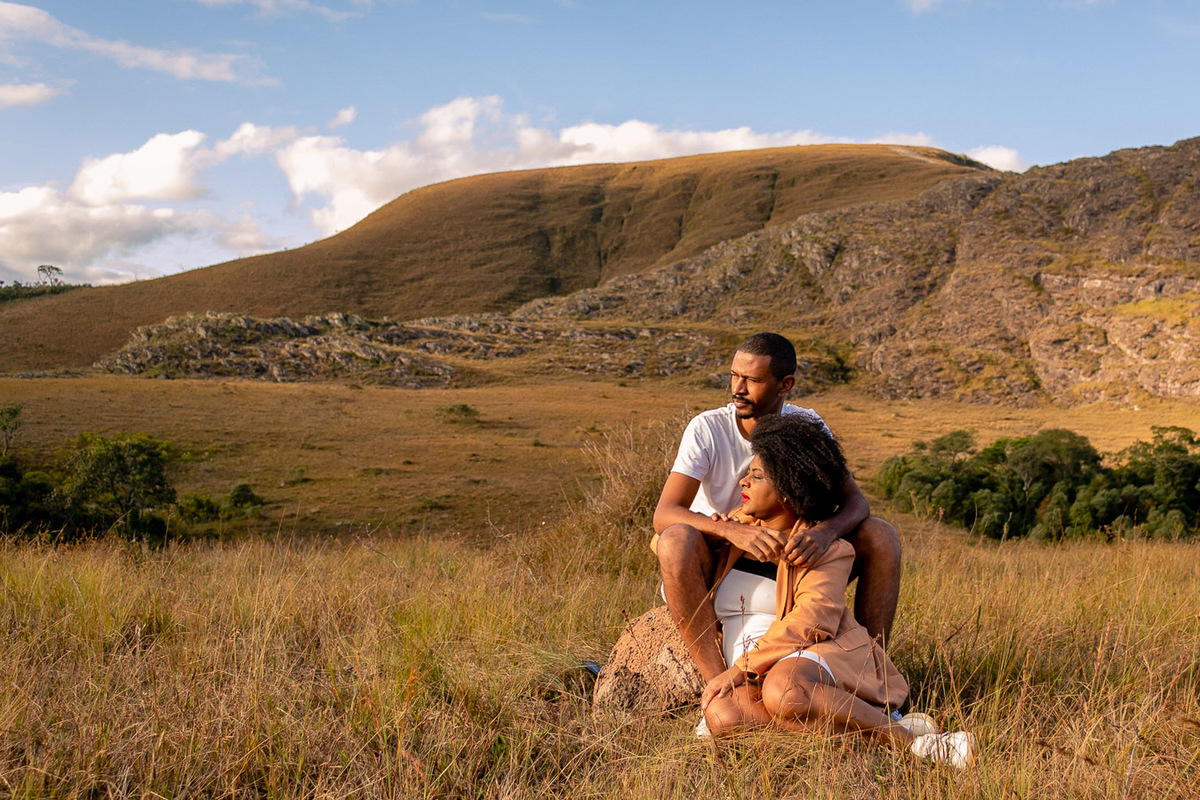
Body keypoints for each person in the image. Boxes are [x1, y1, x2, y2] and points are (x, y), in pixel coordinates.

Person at [698, 414, 975, 767]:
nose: (744, 480)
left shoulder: (825, 549)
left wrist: (741, 669)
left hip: (816, 656)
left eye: (757, 475)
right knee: (723, 716)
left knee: (784, 690)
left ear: (788, 489)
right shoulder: (737, 530)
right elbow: (664, 542)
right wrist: (717, 532)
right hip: (762, 674)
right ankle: (877, 729)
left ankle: (921, 745)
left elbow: (812, 620)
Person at [652, 332, 901, 689]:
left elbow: (857, 502)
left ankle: (873, 674)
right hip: (722, 558)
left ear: (785, 385)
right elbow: (664, 513)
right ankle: (716, 686)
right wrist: (731, 530)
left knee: (881, 535)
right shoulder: (708, 429)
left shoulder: (806, 425)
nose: (737, 388)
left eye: (751, 380)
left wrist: (824, 533)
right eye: (734, 376)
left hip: (791, 555)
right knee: (675, 540)